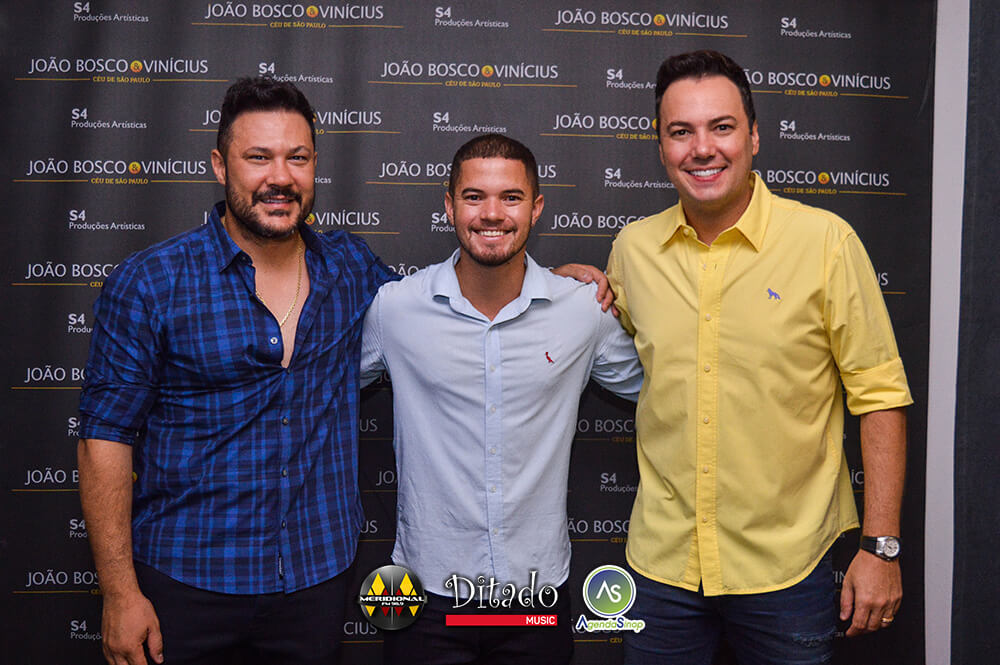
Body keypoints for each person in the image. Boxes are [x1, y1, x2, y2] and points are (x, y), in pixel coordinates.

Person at [605, 50, 913, 664]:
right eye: (680, 131)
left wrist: (881, 548)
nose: (702, 148)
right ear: (660, 146)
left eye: (721, 127)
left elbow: (880, 397)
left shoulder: (825, 243)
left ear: (753, 137)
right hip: (662, 571)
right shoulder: (633, 250)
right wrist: (564, 288)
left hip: (788, 572)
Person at [77, 77, 397, 665]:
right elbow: (105, 437)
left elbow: (443, 310)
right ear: (221, 166)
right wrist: (120, 593)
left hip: (316, 577)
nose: (281, 177)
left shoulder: (351, 267)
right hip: (185, 579)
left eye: (297, 158)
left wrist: (548, 284)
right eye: (258, 157)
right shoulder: (151, 282)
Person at [360, 134, 644, 664]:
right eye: (474, 197)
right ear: (449, 206)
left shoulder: (582, 311)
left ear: (536, 208)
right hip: (425, 596)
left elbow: (670, 392)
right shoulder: (395, 310)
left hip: (536, 596)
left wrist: (626, 295)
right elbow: (311, 389)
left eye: (511, 197)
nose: (492, 213)